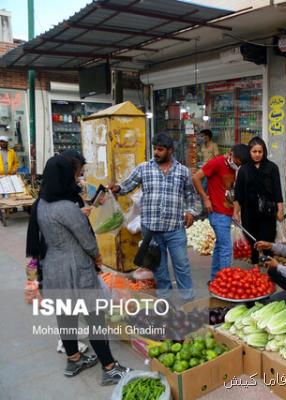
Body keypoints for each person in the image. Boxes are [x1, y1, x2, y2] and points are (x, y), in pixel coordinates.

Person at [29, 155, 130, 385]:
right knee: (95, 317)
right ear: (64, 176)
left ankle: (73, 359)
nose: (78, 178)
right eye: (74, 174)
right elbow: (86, 240)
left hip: (54, 266)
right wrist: (96, 256)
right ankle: (110, 368)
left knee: (65, 316)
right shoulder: (66, 207)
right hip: (76, 268)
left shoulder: (42, 203)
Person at [109, 133, 196, 301]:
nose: (156, 152)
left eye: (160, 149)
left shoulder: (183, 171)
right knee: (159, 268)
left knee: (182, 265)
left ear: (170, 151)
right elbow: (126, 186)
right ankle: (165, 301)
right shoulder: (144, 168)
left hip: (175, 228)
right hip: (151, 229)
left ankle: (188, 300)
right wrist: (116, 188)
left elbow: (191, 195)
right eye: (155, 149)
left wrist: (191, 211)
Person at [192, 144, 248, 280]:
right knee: (226, 248)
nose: (236, 165)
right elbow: (196, 178)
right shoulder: (216, 163)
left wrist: (235, 212)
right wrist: (205, 198)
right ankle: (225, 280)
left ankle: (215, 279)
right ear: (230, 153)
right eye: (235, 162)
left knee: (219, 247)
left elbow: (235, 193)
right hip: (217, 212)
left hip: (227, 212)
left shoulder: (237, 170)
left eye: (239, 164)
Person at [234, 136, 284, 268]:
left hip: (268, 211)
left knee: (267, 238)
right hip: (249, 211)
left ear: (264, 152)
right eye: (254, 152)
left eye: (260, 152)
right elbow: (238, 194)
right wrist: (236, 212)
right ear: (249, 152)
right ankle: (255, 265)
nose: (257, 155)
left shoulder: (272, 168)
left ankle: (269, 267)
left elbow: (278, 190)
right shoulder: (243, 170)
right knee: (252, 239)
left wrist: (280, 209)